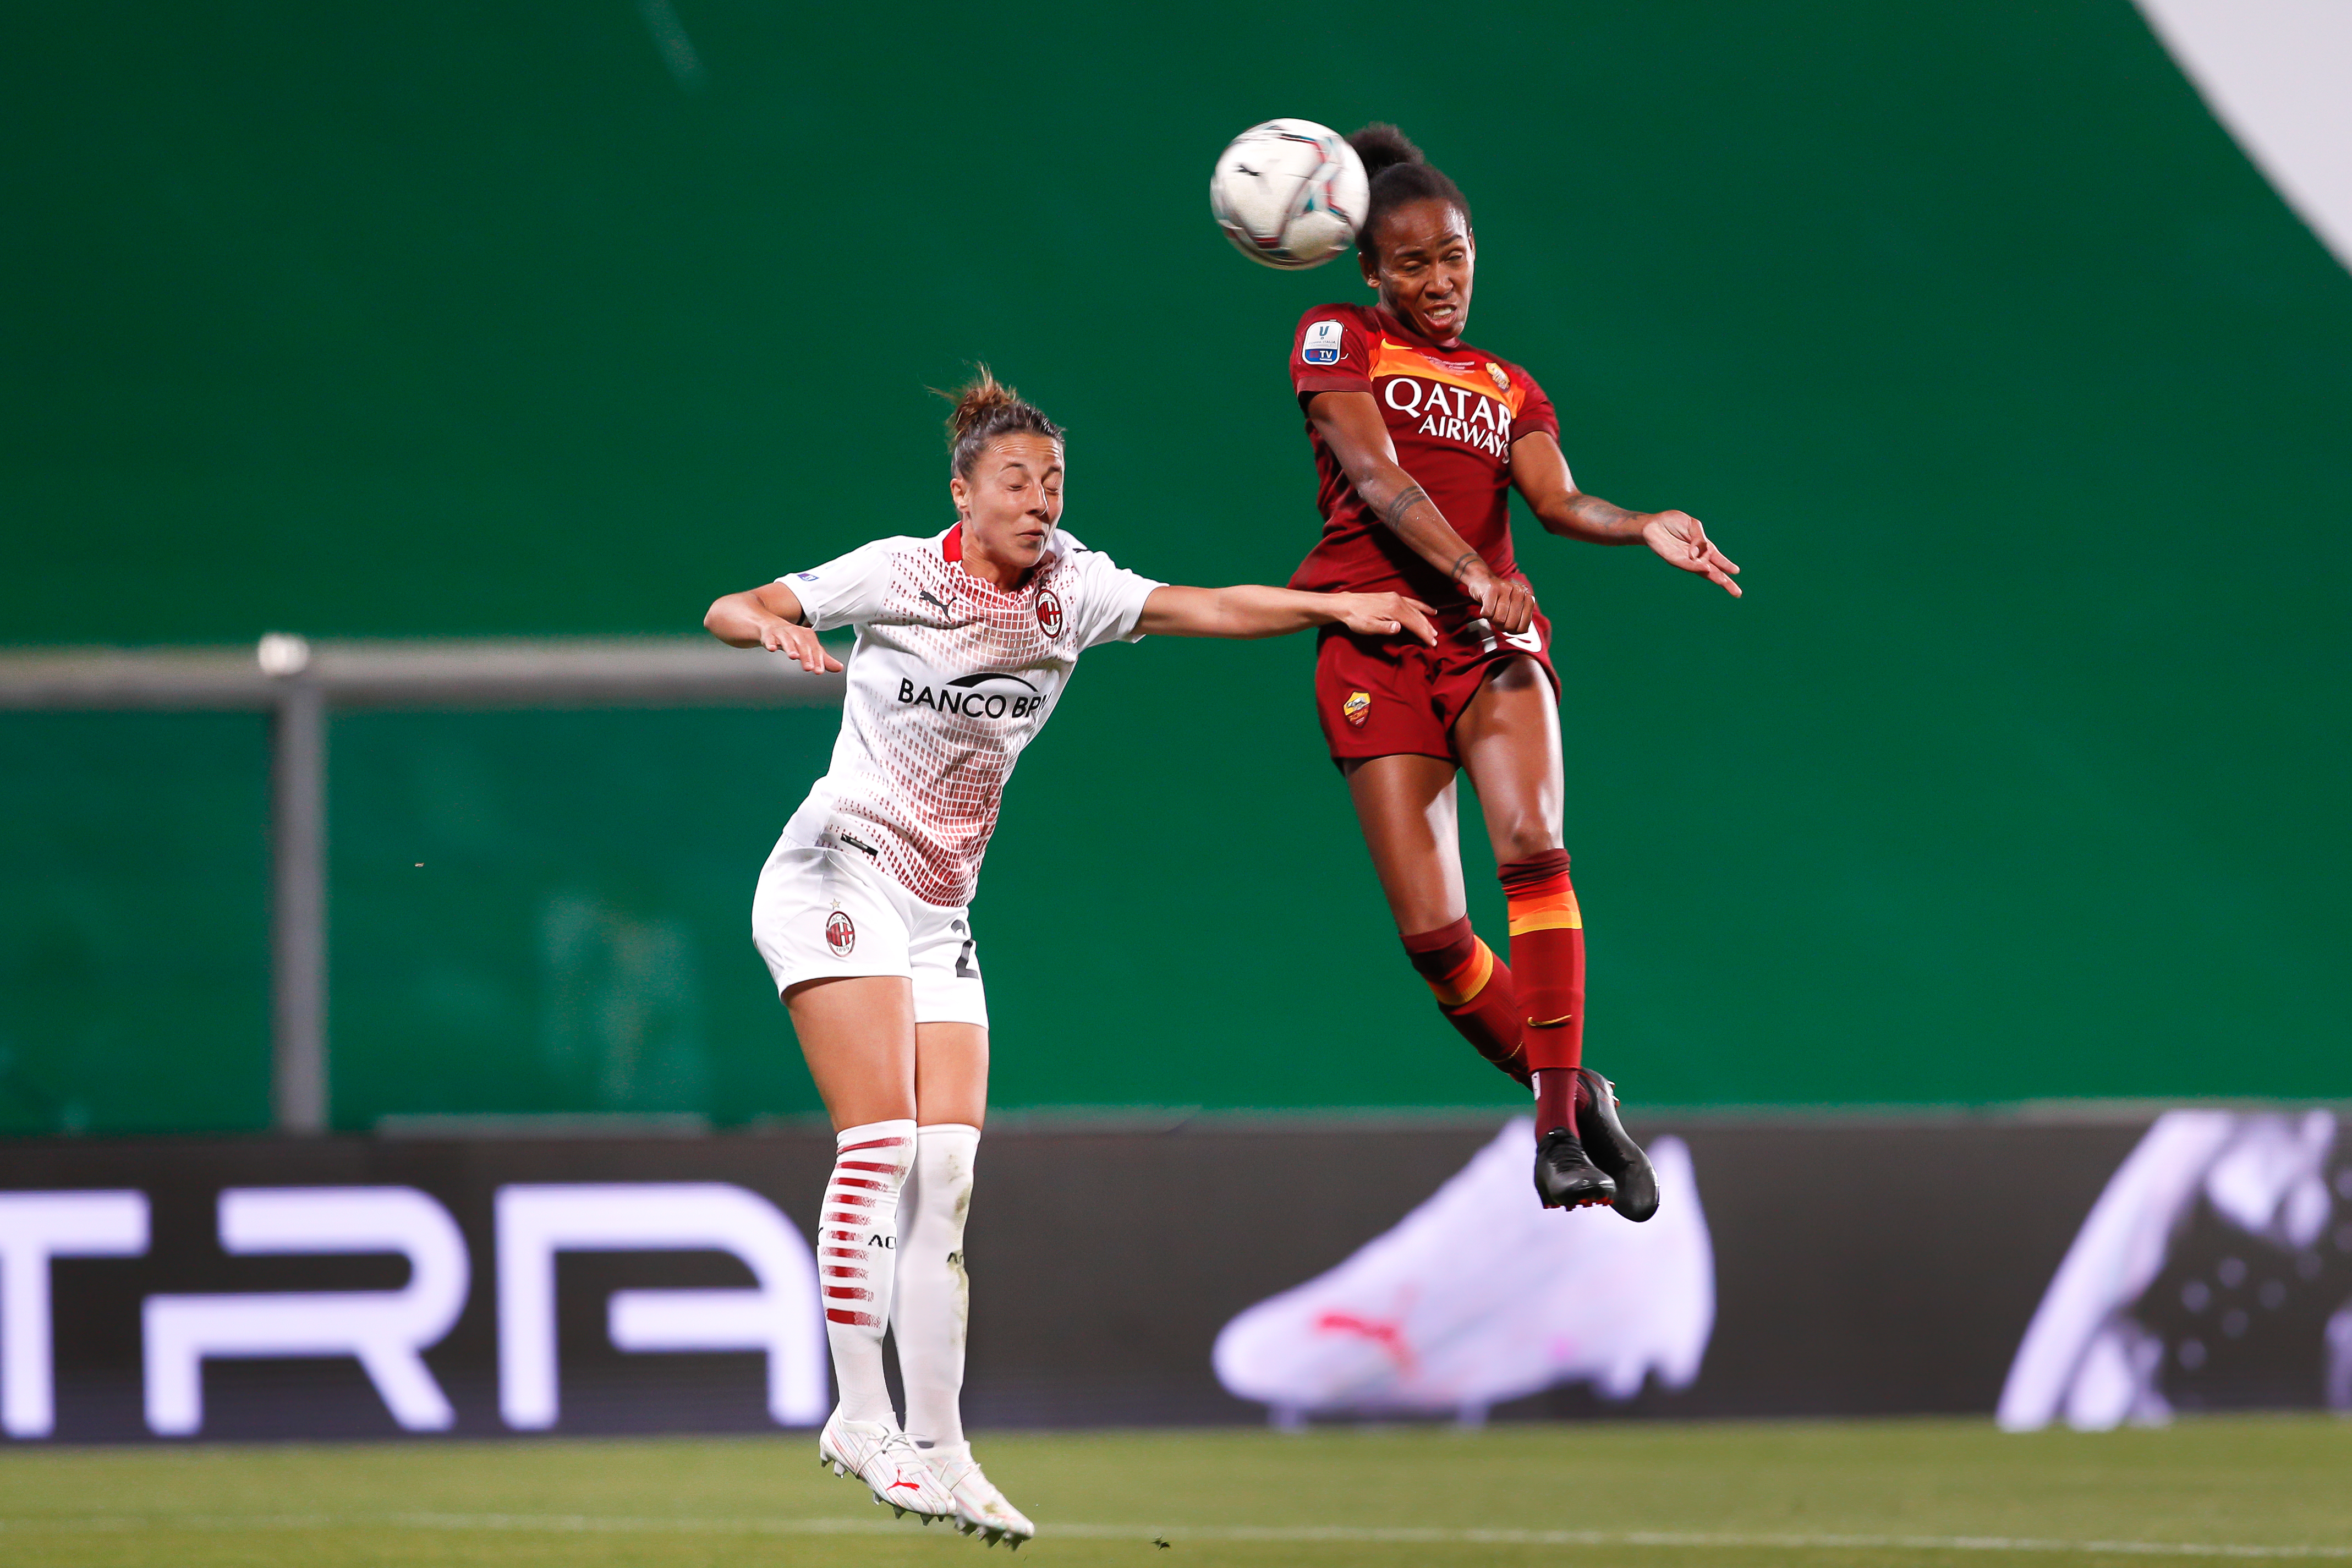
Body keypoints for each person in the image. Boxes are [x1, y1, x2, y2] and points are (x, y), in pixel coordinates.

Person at [703, 369, 1433, 1547]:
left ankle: (940, 1450)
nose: (1039, 501)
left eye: (1052, 481)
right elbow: (730, 604)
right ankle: (856, 1414)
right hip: (835, 873)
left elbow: (1208, 606)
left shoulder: (1074, 592)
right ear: (963, 491)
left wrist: (1334, 611)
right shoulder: (897, 572)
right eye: (1015, 482)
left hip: (938, 913)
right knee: (882, 1142)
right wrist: (775, 624)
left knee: (945, 1179)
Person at [1284, 124, 1741, 1217]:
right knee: (1436, 944)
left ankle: (1550, 1139)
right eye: (1410, 264)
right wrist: (1462, 568)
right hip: (1376, 637)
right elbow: (1376, 475)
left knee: (1533, 851)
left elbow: (1553, 501)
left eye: (1453, 257)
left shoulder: (1507, 385)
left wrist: (1638, 526)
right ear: (1368, 270)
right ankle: (1581, 1093)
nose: (1438, 283)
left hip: (1493, 639)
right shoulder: (1334, 338)